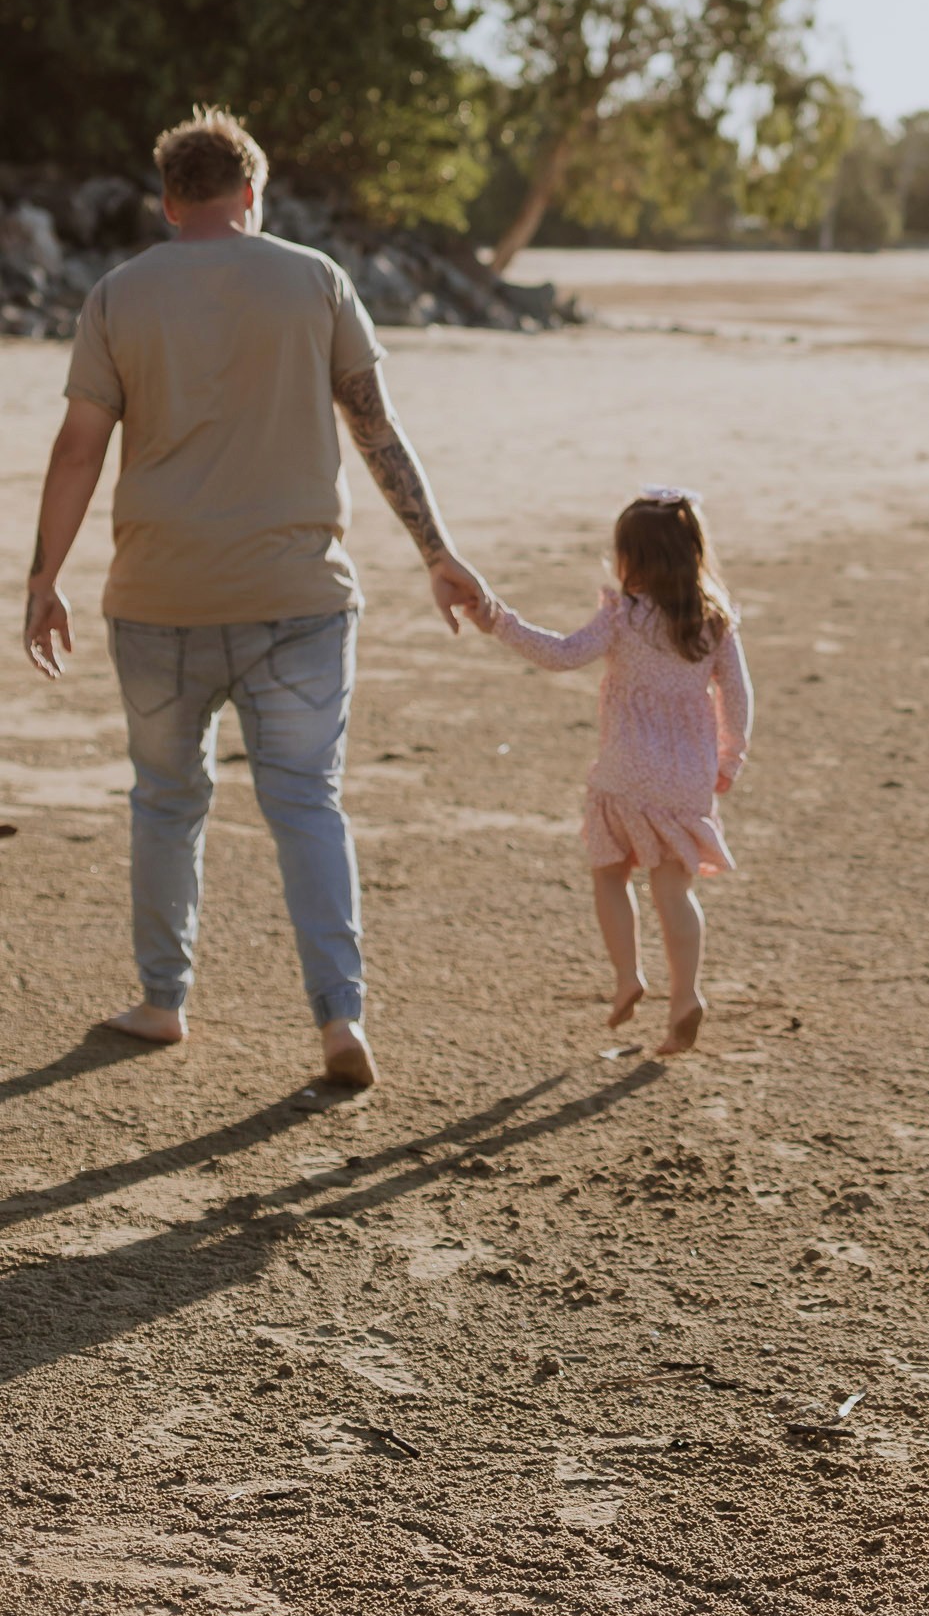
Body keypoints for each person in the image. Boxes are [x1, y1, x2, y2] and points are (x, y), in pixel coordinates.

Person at [23, 106, 489, 1089]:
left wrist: (42, 577)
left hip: (157, 597)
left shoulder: (119, 293)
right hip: (300, 597)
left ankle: (162, 1000)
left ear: (167, 202)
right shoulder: (314, 280)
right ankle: (338, 1020)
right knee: (308, 804)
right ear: (252, 194)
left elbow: (78, 447)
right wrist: (437, 551)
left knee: (164, 801)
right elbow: (376, 427)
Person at [465, 487, 751, 1056]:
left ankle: (627, 977)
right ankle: (686, 997)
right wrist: (729, 757)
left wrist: (498, 620)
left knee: (610, 874)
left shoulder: (622, 617)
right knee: (674, 891)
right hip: (686, 777)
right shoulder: (715, 621)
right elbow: (739, 697)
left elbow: (562, 653)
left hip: (625, 771)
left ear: (632, 561)